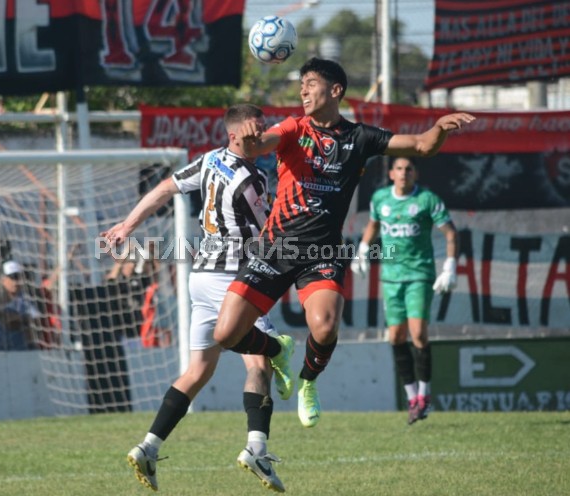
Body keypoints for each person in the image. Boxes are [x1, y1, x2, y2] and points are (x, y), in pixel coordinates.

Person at [212, 57, 475, 428]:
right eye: (300, 84)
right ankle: (277, 348)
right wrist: (253, 139)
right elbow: (262, 144)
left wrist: (440, 128)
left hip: (323, 252)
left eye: (311, 83)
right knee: (225, 334)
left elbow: (421, 145)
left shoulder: (361, 138)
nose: (302, 90)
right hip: (276, 248)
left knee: (324, 325)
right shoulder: (293, 127)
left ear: (335, 90)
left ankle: (307, 382)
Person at [101, 104, 290, 492]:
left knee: (198, 371)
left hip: (200, 278)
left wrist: (127, 225)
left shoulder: (209, 160)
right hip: (231, 281)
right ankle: (257, 447)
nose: (261, 138)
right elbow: (266, 235)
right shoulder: (252, 178)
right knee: (260, 363)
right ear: (235, 134)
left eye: (263, 130)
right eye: (255, 132)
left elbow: (164, 189)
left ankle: (149, 446)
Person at [352, 157, 458, 424]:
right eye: (398, 169)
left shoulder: (427, 200)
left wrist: (450, 267)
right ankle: (412, 398)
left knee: (418, 333)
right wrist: (363, 250)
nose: (403, 173)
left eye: (408, 169)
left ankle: (425, 395)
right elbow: (374, 225)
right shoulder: (380, 199)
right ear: (391, 173)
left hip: (419, 275)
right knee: (396, 336)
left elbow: (450, 233)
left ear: (415, 174)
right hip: (391, 277)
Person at [0, 260, 40, 351]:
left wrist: (21, 319)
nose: (16, 282)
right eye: (12, 278)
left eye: (18, 277)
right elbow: (5, 319)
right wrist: (24, 319)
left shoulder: (25, 298)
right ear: (3, 280)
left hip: (20, 347)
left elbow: (36, 319)